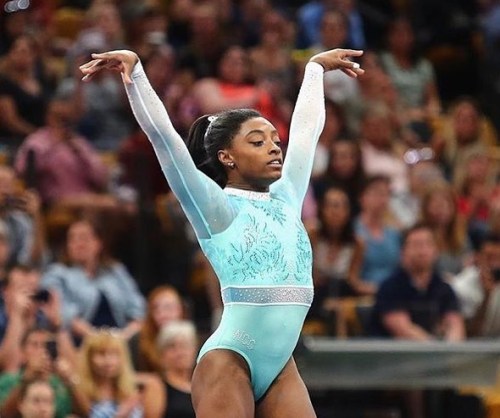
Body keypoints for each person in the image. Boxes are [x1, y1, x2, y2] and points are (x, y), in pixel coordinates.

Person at [80, 47, 364, 417]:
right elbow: (165, 141)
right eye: (257, 142)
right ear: (227, 156)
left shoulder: (288, 196)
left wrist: (314, 70)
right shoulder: (217, 208)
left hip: (280, 364)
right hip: (230, 358)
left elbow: (307, 130)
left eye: (275, 140)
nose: (275, 148)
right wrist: (136, 76)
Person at [370, 223, 465, 340]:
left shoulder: (444, 289)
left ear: (436, 251)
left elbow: (455, 325)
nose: (422, 250)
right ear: (403, 252)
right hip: (396, 356)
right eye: (416, 245)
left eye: (428, 244)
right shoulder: (390, 288)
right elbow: (403, 330)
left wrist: (451, 348)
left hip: (439, 354)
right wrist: (437, 351)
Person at [156, 320, 198, 418]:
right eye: (172, 347)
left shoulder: (201, 386)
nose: (180, 353)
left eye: (185, 346)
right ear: (162, 353)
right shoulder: (157, 386)